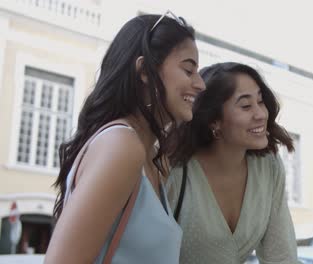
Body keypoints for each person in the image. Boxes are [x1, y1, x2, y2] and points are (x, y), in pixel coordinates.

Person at [45, 11, 205, 264]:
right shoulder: (121, 145)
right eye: (188, 70)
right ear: (144, 70)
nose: (200, 84)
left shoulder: (151, 158)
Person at [168, 62, 300, 263]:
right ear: (214, 121)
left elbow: (282, 257)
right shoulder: (174, 169)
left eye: (261, 101)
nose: (261, 114)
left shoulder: (268, 166)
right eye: (246, 106)